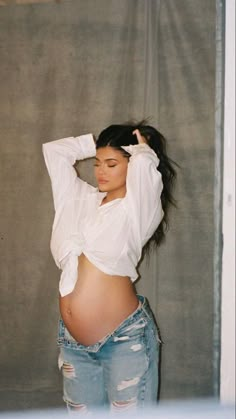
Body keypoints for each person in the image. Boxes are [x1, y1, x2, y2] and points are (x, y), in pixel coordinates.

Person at [42, 121, 177, 414]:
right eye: (98, 163)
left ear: (132, 164)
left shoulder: (139, 209)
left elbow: (145, 176)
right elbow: (54, 152)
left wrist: (141, 150)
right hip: (73, 345)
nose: (101, 171)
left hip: (124, 341)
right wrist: (99, 144)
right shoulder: (78, 199)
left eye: (112, 163)